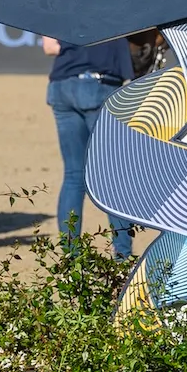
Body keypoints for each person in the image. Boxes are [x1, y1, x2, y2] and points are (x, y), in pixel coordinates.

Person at [40, 36, 136, 258]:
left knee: (74, 175)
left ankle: (70, 255)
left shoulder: (59, 3)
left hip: (62, 86)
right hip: (99, 84)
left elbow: (49, 47)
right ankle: (122, 254)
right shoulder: (118, 3)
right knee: (111, 177)